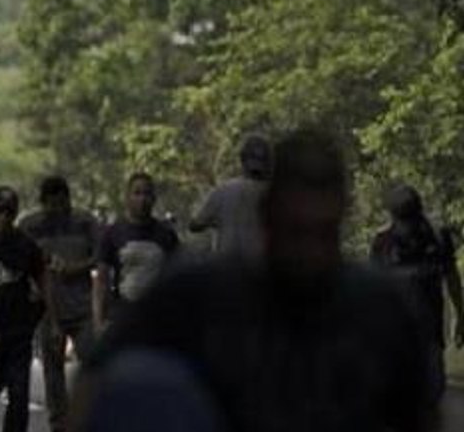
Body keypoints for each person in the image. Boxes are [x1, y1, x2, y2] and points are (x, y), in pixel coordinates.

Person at [75, 129, 434, 432]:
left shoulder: (377, 308)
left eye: (322, 233)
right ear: (270, 214)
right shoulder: (199, 295)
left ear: (341, 215)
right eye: (295, 232)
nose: (308, 252)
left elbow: (423, 415)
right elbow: (97, 378)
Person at [18, 176, 99, 432]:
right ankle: (59, 423)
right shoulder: (30, 226)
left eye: (62, 204)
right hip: (47, 308)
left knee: (92, 363)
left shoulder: (85, 222)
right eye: (52, 205)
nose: (58, 210)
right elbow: (21, 262)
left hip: (82, 305)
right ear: (43, 203)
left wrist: (76, 267)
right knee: (53, 371)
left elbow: (100, 256)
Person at [371, 182, 464, 404]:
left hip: (427, 335)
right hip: (397, 337)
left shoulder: (436, 237)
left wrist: (461, 316)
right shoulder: (383, 242)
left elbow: (452, 279)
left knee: (430, 399)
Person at [0, 187, 50, 432]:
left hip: (18, 335)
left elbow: (42, 278)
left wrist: (43, 313)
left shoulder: (25, 245)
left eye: (10, 212)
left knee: (18, 397)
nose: (4, 217)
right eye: (0, 211)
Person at [93, 172, 179, 332]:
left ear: (154, 198)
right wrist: (99, 322)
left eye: (147, 193)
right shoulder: (112, 233)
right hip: (124, 316)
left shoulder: (166, 234)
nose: (142, 199)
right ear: (127, 197)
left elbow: (177, 278)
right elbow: (101, 281)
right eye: (137, 193)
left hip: (158, 318)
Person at [189, 135, 271, 258]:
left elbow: (194, 225)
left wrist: (217, 221)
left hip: (227, 269)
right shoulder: (275, 194)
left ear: (242, 160)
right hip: (261, 269)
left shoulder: (224, 191)